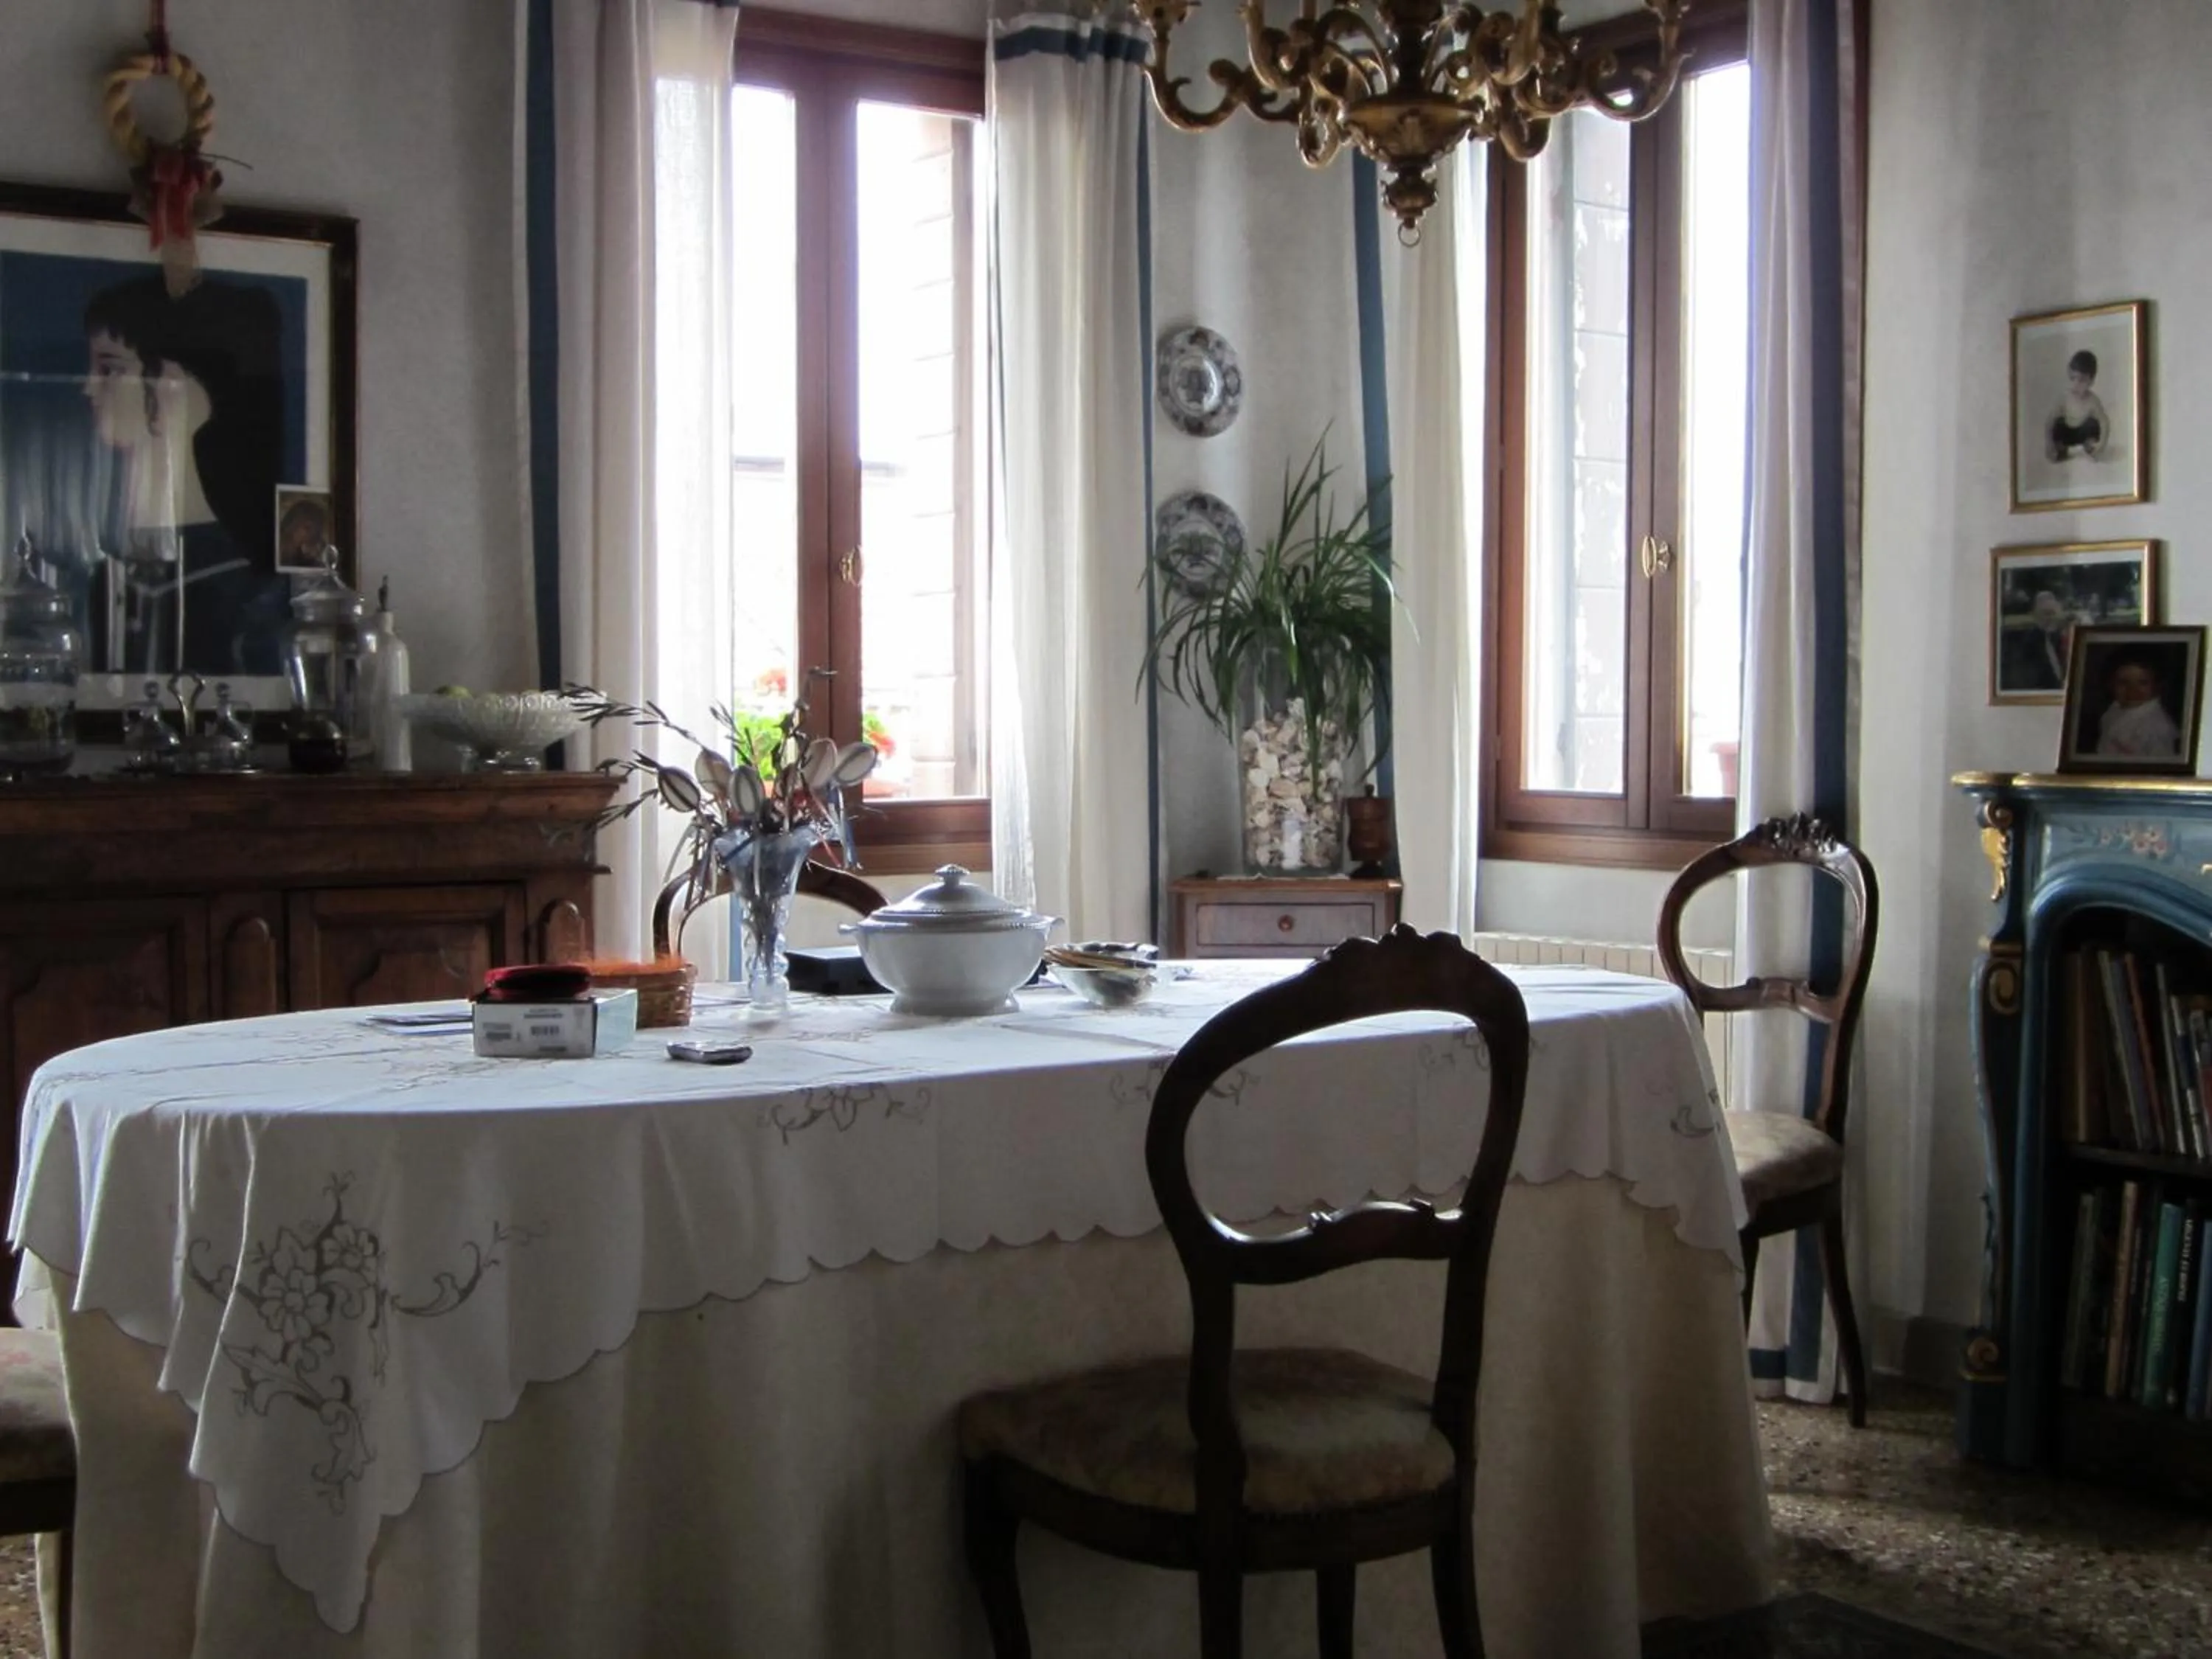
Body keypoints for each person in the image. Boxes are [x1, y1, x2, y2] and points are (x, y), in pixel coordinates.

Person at [80, 272, 293, 676]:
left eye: (110, 369)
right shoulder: (109, 576)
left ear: (176, 386)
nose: (88, 389)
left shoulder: (238, 585)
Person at [2093, 656, 2180, 759]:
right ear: (2111, 684)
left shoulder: (2159, 728)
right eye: (2123, 682)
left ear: (2157, 686)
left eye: (2143, 683)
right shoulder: (2114, 708)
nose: (2132, 690)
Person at [2001, 588, 2076, 692]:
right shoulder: (2027, 644)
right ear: (2035, 616)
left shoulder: (2064, 637)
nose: (2050, 618)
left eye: (2053, 613)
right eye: (2045, 614)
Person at [2045, 349, 2111, 463]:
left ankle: (2090, 445)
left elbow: (2104, 422)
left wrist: (2102, 444)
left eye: (2082, 380)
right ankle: (2061, 449)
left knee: (2093, 423)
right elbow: (2050, 421)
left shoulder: (2093, 400)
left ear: (2091, 381)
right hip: (2067, 432)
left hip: (2083, 433)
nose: (2076, 384)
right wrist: (2049, 444)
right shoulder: (2064, 397)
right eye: (2073, 378)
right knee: (2058, 423)